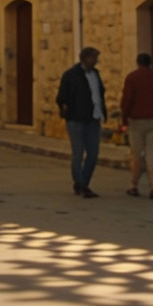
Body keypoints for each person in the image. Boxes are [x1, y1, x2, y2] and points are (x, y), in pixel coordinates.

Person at [118, 53, 153, 199]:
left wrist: (124, 120)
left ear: (137, 63)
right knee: (152, 153)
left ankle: (134, 185)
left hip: (137, 121)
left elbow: (127, 101)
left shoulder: (132, 78)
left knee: (136, 154)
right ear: (150, 63)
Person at [54, 46, 107, 198]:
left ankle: (82, 182)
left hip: (93, 118)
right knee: (78, 153)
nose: (95, 61)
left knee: (93, 154)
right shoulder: (71, 75)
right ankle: (82, 184)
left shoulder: (96, 74)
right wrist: (67, 111)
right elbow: (61, 97)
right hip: (76, 119)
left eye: (96, 58)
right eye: (92, 57)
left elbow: (99, 94)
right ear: (84, 58)